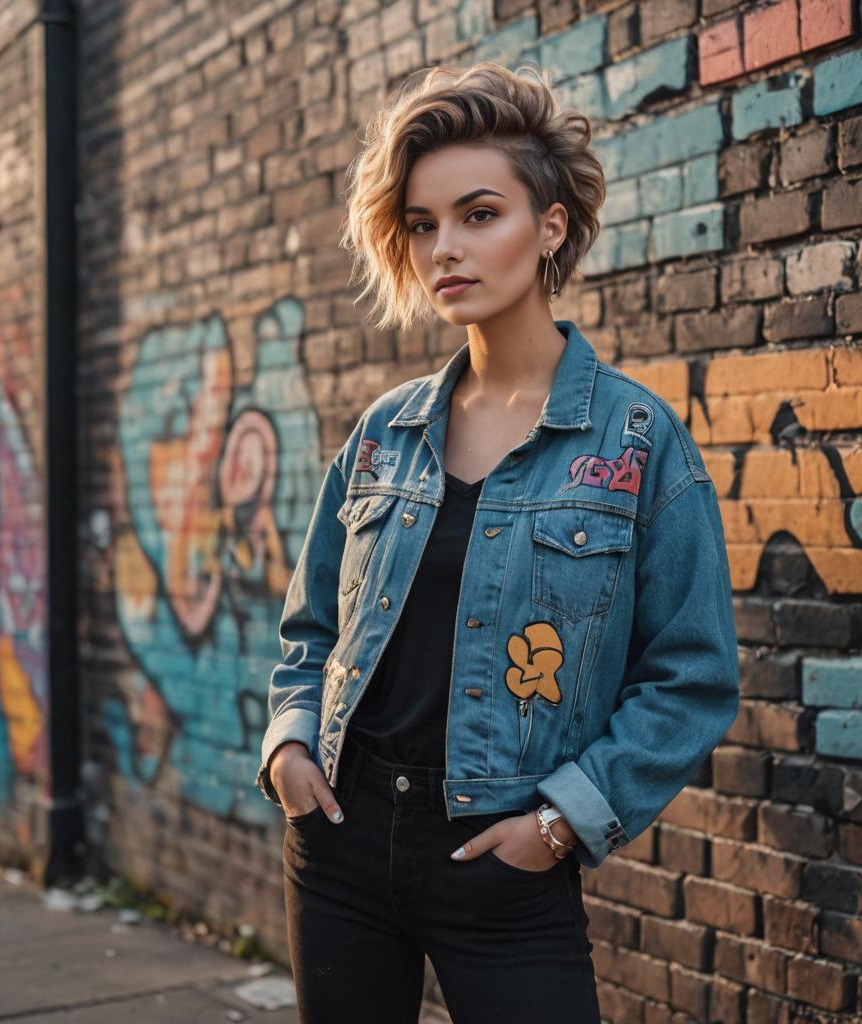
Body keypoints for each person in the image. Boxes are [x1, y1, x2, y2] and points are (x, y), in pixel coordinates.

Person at [255, 61, 740, 1024]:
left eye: (480, 214)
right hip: (339, 841)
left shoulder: (637, 444)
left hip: (504, 862)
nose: (446, 249)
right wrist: (290, 750)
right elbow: (311, 628)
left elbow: (691, 673)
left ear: (549, 226)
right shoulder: (384, 432)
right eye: (424, 224)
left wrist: (563, 822)